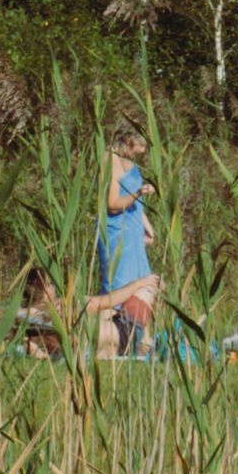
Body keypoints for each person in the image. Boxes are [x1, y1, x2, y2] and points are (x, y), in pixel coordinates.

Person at [94, 124, 163, 355]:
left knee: (144, 282)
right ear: (127, 140)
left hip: (133, 227)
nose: (142, 151)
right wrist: (139, 193)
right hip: (117, 231)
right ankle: (109, 337)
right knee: (119, 284)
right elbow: (113, 204)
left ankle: (142, 338)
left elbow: (134, 201)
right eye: (139, 145)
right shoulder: (109, 160)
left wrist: (146, 225)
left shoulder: (130, 163)